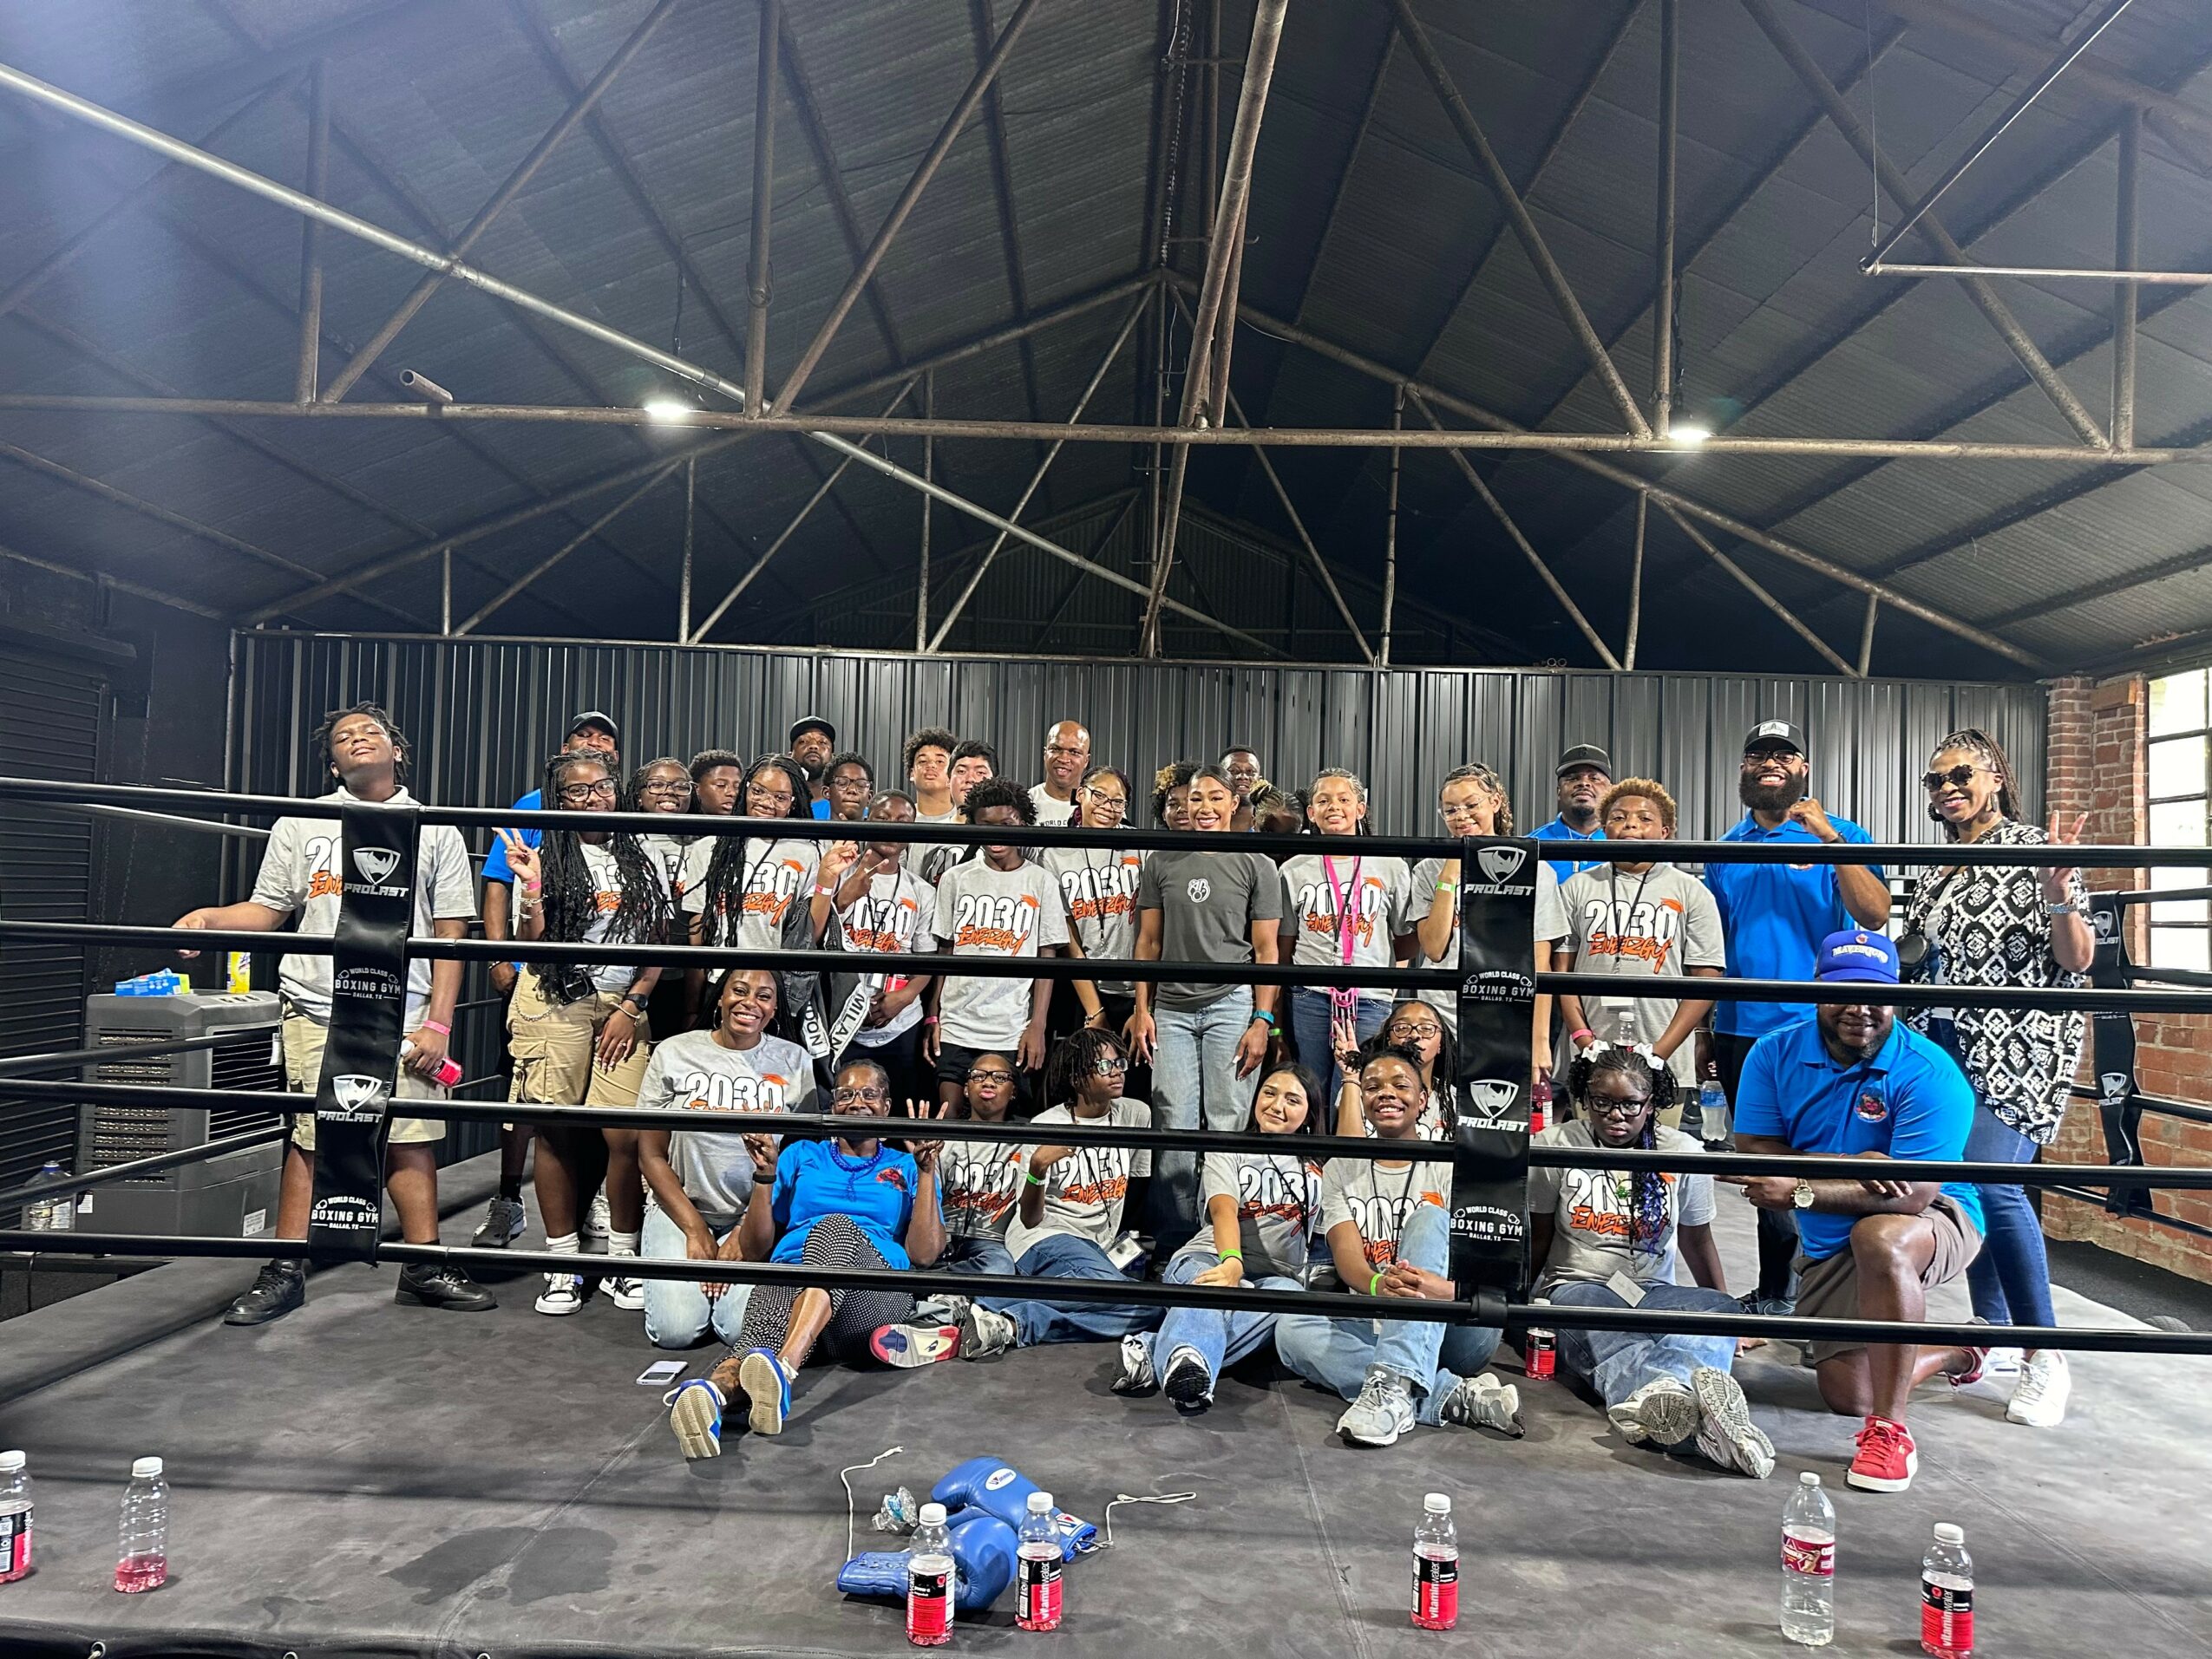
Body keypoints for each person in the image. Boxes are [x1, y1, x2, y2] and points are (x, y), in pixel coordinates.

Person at [174, 702, 494, 1323]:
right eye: (344, 737)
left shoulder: (436, 829)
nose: (357, 739)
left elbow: (452, 934)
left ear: (396, 750)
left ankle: (423, 1263)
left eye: (370, 731)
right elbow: (269, 909)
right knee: (312, 1137)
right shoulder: (303, 822)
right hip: (319, 1003)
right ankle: (284, 1269)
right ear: (333, 764)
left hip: (405, 1011)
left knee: (410, 1138)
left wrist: (438, 1023)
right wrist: (209, 919)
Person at [1729, 930, 1986, 1495]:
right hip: (1831, 1235)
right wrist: (1847, 1161)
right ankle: (1959, 1346)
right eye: (1842, 992)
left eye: (1875, 994)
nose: (1859, 1008)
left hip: (1936, 1215)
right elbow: (1753, 1147)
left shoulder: (1929, 1072)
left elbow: (1911, 1196)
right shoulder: (1773, 1052)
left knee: (1881, 1238)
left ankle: (1891, 1432)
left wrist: (1801, 1188)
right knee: (1850, 1396)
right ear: (1817, 989)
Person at [1904, 728, 2091, 1428]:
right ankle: (1995, 1331)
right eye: (1935, 780)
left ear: (1995, 777)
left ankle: (2047, 1353)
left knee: (1995, 1182)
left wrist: (2058, 893)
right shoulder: (1938, 867)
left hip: (2018, 1045)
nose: (1948, 787)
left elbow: (2077, 960)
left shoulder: (2035, 848)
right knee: (1965, 1184)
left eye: (1961, 774)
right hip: (1944, 1043)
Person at [663, 1057, 945, 1451]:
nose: (857, 1102)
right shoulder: (800, 1155)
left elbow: (925, 1255)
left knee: (834, 1228)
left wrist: (928, 1172)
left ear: (886, 1105)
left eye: (869, 1094)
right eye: (846, 1094)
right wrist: (764, 1176)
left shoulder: (907, 1164)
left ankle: (784, 1368)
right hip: (796, 1282)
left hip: (871, 1298)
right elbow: (755, 1249)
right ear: (833, 1106)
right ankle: (712, 1397)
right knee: (753, 1344)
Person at [1706, 719, 1889, 1317]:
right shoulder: (1727, 848)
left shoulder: (1843, 835)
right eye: (1758, 753)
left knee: (1824, 1157)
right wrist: (1708, 1027)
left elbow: (1875, 914)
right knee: (1764, 1161)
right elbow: (1715, 946)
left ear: (1803, 768)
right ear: (1744, 767)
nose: (1770, 763)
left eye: (1784, 755)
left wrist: (1828, 839)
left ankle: (1834, 1295)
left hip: (1819, 1028)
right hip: (1741, 1027)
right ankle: (1775, 1292)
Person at [1530, 1046, 1771, 1478]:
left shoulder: (1683, 1151)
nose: (1615, 1116)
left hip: (1654, 1292)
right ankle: (1700, 1414)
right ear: (1585, 1098)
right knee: (1590, 1311)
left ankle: (1663, 1398)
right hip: (1578, 1285)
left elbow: (1698, 1240)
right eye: (1602, 1102)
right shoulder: (1555, 1145)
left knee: (1719, 1310)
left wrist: (1729, 1320)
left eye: (1630, 1105)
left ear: (1652, 1102)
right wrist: (1517, 1307)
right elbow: (1539, 1236)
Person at [1273, 1046, 1519, 1447]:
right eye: (1372, 1086)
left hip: (1455, 1323)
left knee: (1429, 1217)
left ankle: (1391, 1388)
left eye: (1400, 1085)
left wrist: (1442, 1291)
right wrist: (1379, 1286)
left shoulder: (1453, 1165)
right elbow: (1348, 1259)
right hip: (1377, 1317)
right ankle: (1449, 1395)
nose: (1386, 1092)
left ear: (1422, 1100)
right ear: (1362, 1100)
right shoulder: (1342, 1168)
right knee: (1290, 1329)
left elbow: (1491, 1277)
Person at [500, 749, 674, 1315]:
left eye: (601, 786)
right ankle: (561, 1260)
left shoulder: (642, 850)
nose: (593, 797)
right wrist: (532, 888)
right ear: (560, 798)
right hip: (555, 1001)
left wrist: (634, 1003)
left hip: (623, 1003)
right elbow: (532, 946)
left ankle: (622, 1258)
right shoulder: (546, 850)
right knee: (556, 1133)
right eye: (578, 790)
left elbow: (658, 941)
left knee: (626, 1136)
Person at [883, 1029, 1157, 1362]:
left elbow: (1136, 1187)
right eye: (1103, 1065)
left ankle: (1002, 1323)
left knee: (1149, 1307)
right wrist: (1038, 1167)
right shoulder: (1045, 1125)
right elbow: (1029, 1218)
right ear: (1076, 1076)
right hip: (1046, 1237)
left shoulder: (1136, 1115)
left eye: (1119, 1063)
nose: (1116, 1072)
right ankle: (981, 1304)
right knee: (1123, 1295)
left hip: (1095, 1250)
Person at [474, 709, 620, 1248]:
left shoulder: (621, 810)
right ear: (563, 750)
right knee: (526, 1094)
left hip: (607, 983)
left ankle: (590, 1199)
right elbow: (497, 881)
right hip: (538, 972)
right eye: (584, 735)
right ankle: (508, 1197)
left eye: (605, 739)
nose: (594, 743)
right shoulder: (534, 805)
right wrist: (500, 956)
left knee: (596, 1099)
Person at [1128, 764, 1283, 1248]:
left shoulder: (1257, 863)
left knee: (1226, 1120)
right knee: (1172, 1117)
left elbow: (1267, 950)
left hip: (1231, 1003)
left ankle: (1221, 1239)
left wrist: (1262, 1019)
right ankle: (1173, 1242)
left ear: (1234, 803)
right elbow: (1148, 942)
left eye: (1216, 798)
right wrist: (1142, 1008)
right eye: (1196, 798)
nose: (1205, 808)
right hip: (1171, 1007)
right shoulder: (1161, 860)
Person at [1114, 1062, 1323, 1410]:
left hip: (1272, 1278)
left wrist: (1349, 1080)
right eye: (1269, 1093)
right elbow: (1223, 1209)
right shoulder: (1230, 1147)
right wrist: (1231, 1262)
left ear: (1310, 1113)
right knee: (1212, 1290)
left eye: (1292, 1100)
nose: (1276, 1106)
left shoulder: (1319, 1164)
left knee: (1292, 1298)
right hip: (1211, 1256)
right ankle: (1186, 1362)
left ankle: (1155, 1352)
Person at [634, 970, 817, 1349]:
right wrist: (695, 1231)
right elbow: (650, 1154)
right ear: (720, 997)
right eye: (740, 991)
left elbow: (800, 1158)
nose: (750, 1003)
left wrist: (745, 1229)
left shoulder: (795, 1060)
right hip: (682, 1210)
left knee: (736, 1330)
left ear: (775, 1009)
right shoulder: (674, 1052)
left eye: (764, 996)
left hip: (756, 1215)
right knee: (676, 1332)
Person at [1555, 778, 1724, 1112]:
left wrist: (1660, 1053)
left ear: (1665, 831)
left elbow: (1706, 977)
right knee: (1588, 1143)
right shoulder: (1577, 887)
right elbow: (1561, 974)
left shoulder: (1692, 892)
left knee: (1658, 1143)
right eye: (1618, 817)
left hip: (1664, 1057)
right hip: (1590, 1056)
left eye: (1645, 818)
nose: (1631, 824)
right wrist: (1584, 1040)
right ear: (1604, 829)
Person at [924, 780, 1070, 1111]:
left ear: (1023, 822)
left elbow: (1047, 957)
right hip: (957, 1025)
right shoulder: (956, 878)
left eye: (1006, 824)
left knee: (1001, 1124)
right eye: (986, 824)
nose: (996, 833)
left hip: (1011, 1028)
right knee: (948, 1119)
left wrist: (1038, 1024)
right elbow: (945, 950)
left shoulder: (1041, 881)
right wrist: (933, 1014)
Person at [1410, 764, 1566, 1071]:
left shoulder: (1535, 869)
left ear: (1495, 802)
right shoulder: (1428, 869)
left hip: (1507, 1015)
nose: (1461, 816)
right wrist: (1449, 875)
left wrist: (1539, 1040)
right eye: (1450, 810)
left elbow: (1540, 960)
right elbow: (1434, 948)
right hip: (1443, 1015)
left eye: (1471, 805)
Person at [1280, 769, 1413, 1103]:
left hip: (1370, 995)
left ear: (1360, 809)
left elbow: (1405, 937)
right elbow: (1285, 943)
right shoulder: (1294, 869)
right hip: (1310, 995)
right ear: (1311, 812)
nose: (1334, 807)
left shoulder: (1390, 865)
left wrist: (1390, 985)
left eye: (1343, 799)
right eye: (1323, 800)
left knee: (1359, 1085)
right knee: (1311, 1085)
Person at [679, 753, 821, 1032]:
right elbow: (697, 931)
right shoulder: (708, 847)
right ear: (746, 790)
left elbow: (808, 931)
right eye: (758, 791)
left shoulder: (808, 852)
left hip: (776, 986)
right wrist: (691, 1006)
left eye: (780, 797)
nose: (766, 802)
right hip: (719, 980)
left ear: (793, 802)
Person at [815, 790, 938, 1098]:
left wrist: (904, 998)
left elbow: (928, 959)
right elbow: (812, 935)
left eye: (902, 821)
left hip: (899, 1022)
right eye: (883, 818)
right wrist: (843, 899)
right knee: (841, 1102)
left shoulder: (921, 891)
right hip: (840, 1018)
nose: (892, 826)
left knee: (896, 1107)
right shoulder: (837, 874)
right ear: (868, 820)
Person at [1041, 766, 1146, 1068]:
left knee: (1136, 1074)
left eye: (1118, 801)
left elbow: (1155, 931)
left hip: (1139, 989)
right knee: (1093, 1073)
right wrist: (1095, 1011)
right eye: (1099, 795)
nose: (1107, 806)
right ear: (1080, 795)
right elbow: (1068, 938)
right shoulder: (1055, 854)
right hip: (1087, 989)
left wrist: (1144, 1007)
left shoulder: (1142, 845)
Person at [925, 1054, 1026, 1277]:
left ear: (1013, 1092)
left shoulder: (1026, 1140)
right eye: (978, 1076)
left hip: (990, 1242)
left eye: (1000, 1078)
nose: (988, 1082)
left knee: (1001, 1266)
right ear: (966, 1089)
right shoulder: (943, 1138)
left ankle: (936, 1286)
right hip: (942, 1237)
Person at [628, 758, 697, 1047]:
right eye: (657, 785)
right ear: (639, 795)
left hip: (685, 970)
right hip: (634, 970)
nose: (669, 792)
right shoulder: (623, 840)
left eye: (681, 786)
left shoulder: (703, 842)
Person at [1332, 1001, 1458, 1140]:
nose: (1414, 1035)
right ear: (1389, 1041)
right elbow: (1348, 1152)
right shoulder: (1360, 1088)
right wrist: (1351, 1077)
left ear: (1441, 1043)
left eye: (1426, 1028)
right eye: (1402, 1028)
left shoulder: (1455, 1100)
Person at [915, 740, 1003, 885]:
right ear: (948, 780)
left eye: (980, 772)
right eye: (961, 771)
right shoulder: (927, 834)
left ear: (995, 781)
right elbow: (914, 889)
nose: (970, 779)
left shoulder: (1008, 835)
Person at [1532, 743, 1612, 882]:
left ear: (1610, 791)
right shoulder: (1532, 846)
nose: (1584, 783)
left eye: (1594, 778)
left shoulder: (1625, 846)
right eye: (1573, 778)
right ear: (1559, 791)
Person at [902, 726, 959, 871]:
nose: (931, 766)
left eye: (940, 761)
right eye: (922, 761)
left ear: (953, 773)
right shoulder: (901, 819)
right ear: (912, 773)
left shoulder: (964, 820)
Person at [1031, 721, 1091, 826]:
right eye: (1055, 749)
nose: (1064, 759)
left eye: (1074, 752)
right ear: (1045, 754)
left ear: (1086, 760)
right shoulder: (1026, 803)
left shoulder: (1098, 807)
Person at [788, 715, 839, 818]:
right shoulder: (777, 804)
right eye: (803, 741)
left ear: (833, 758)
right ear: (789, 757)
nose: (813, 746)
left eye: (822, 742)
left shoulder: (846, 808)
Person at [821, 751, 874, 824]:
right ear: (827, 792)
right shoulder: (811, 830)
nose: (852, 790)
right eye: (842, 783)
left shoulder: (880, 831)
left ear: (869, 797)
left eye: (861, 785)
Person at [1221, 745, 1264, 832]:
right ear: (1219, 778)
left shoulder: (1269, 826)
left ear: (1259, 780)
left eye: (1250, 771)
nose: (1243, 776)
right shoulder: (1205, 822)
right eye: (1233, 771)